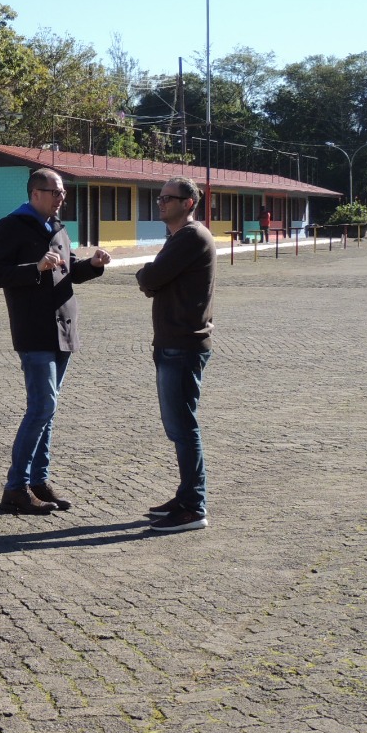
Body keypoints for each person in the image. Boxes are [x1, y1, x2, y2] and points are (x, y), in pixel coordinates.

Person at [0, 169, 111, 515]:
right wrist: (35, 267)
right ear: (35, 193)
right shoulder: (10, 226)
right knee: (41, 407)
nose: (61, 198)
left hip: (63, 330)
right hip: (34, 330)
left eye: (63, 193)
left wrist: (93, 265)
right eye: (55, 192)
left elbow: (69, 270)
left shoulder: (57, 228)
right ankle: (15, 488)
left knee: (48, 411)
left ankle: (38, 482)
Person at [136, 176, 217, 532]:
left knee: (183, 428)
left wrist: (146, 275)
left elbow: (152, 278)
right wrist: (151, 277)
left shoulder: (191, 237)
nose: (161, 202)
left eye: (169, 198)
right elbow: (157, 280)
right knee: (178, 427)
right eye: (160, 197)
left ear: (189, 203)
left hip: (183, 346)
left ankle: (194, 507)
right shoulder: (178, 238)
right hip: (172, 343)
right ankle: (186, 495)